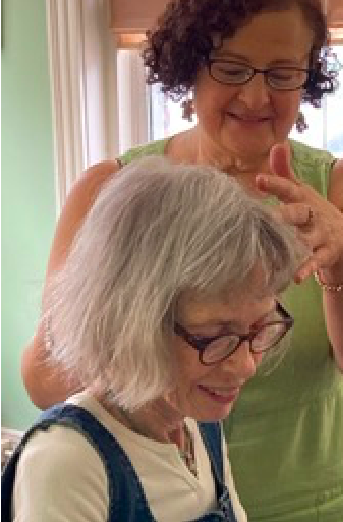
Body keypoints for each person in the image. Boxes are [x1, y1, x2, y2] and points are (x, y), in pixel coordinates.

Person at [21, 0, 343, 521]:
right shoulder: (112, 193)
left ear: (308, 78)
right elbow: (47, 382)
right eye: (231, 69)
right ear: (191, 67)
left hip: (320, 506)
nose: (256, 97)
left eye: (282, 74)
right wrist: (135, 300)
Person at [5, 156, 302, 522]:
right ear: (128, 322)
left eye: (258, 328)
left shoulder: (196, 422)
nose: (245, 366)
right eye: (213, 336)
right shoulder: (67, 463)